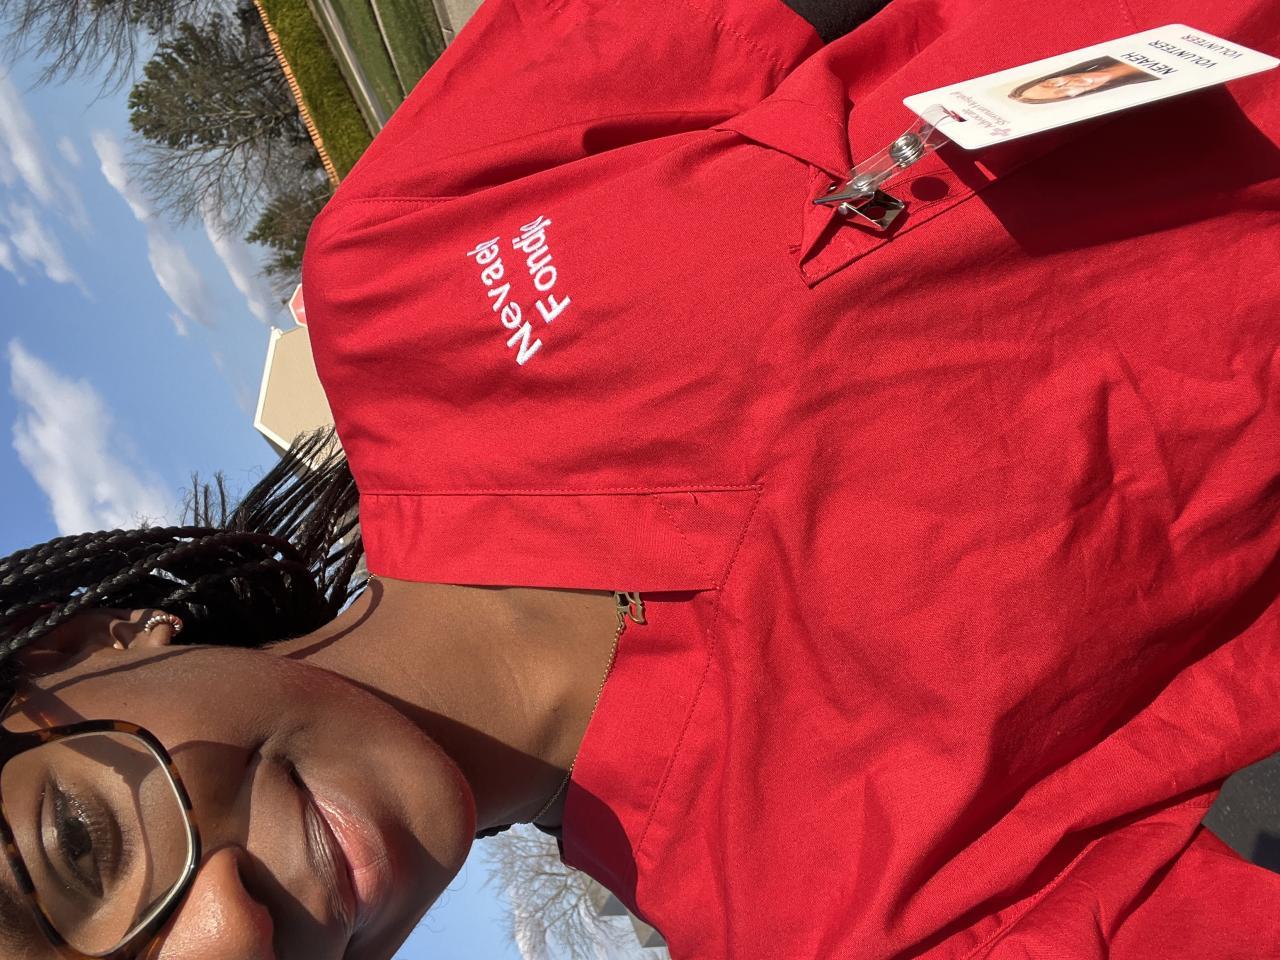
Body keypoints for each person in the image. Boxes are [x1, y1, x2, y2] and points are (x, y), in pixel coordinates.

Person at [3, 0, 1280, 957]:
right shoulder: (837, 926)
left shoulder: (394, 271)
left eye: (77, 842)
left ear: (84, 643)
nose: (228, 936)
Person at [1007, 56, 1159, 103]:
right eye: (1064, 92)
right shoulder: (1144, 90)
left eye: (1051, 83)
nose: (1068, 83)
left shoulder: (1104, 55)